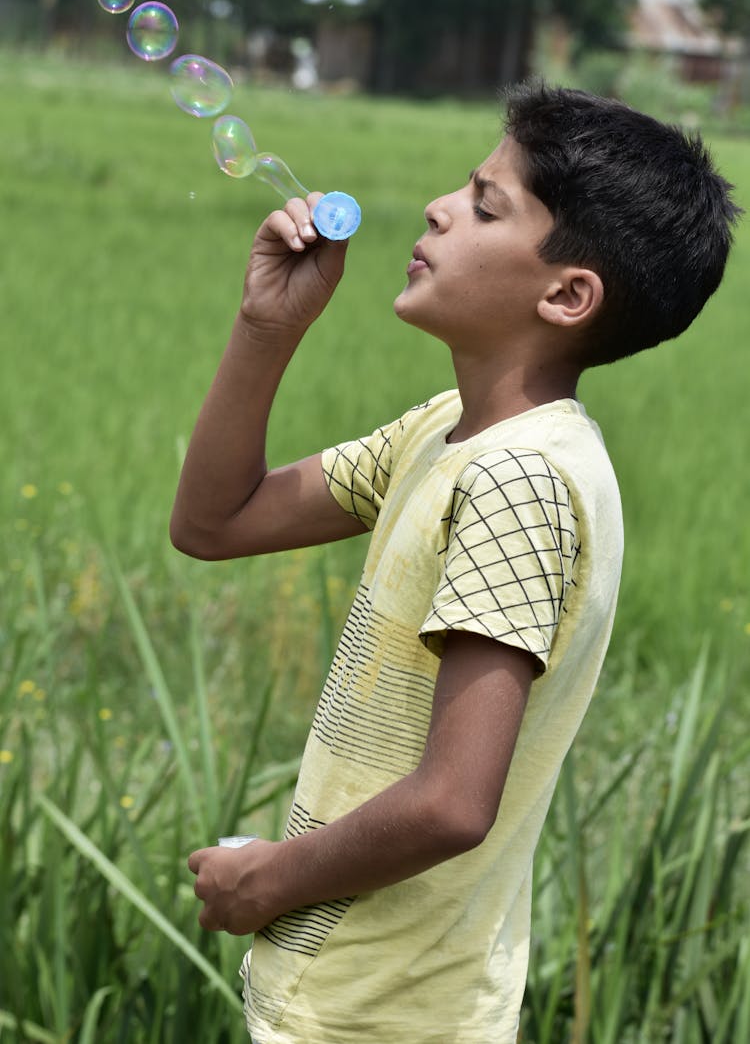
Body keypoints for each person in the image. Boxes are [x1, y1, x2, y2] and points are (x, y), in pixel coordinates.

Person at [172, 82, 740, 1044]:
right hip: (354, 1000)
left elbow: (451, 799)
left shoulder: (518, 480)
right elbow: (216, 522)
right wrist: (269, 328)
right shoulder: (449, 434)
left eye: (485, 204)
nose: (439, 206)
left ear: (566, 295)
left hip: (390, 1018)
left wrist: (264, 877)